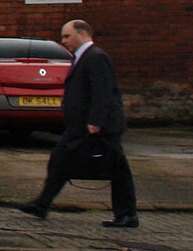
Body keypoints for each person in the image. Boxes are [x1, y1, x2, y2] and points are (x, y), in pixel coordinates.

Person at [19, 18, 138, 227]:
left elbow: (103, 91)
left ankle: (127, 214)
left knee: (117, 168)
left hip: (98, 127)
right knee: (60, 160)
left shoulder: (96, 57)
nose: (63, 40)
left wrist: (96, 121)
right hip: (80, 127)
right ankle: (41, 204)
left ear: (82, 34)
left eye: (67, 36)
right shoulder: (82, 58)